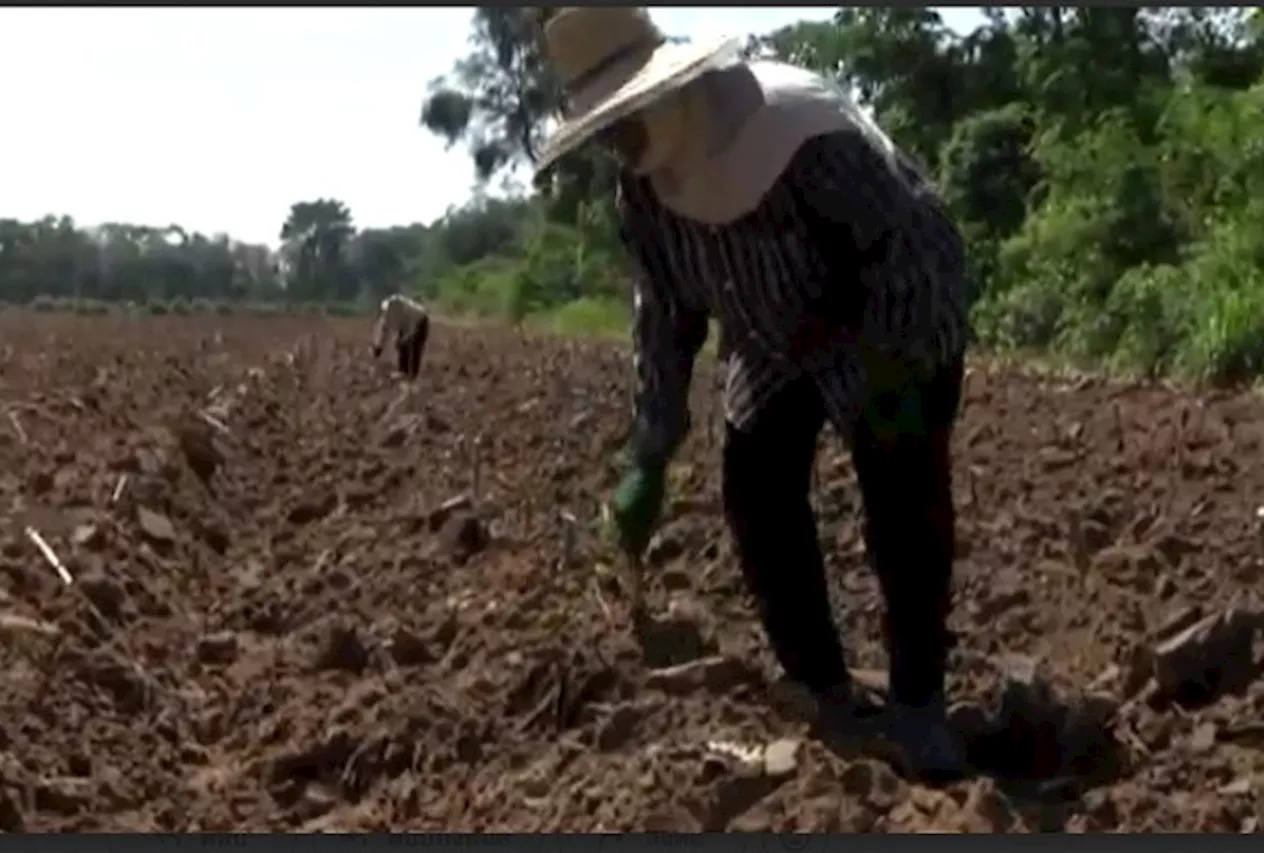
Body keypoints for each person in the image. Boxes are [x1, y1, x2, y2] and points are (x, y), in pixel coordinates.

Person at [534, 8, 971, 781]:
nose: (612, 141)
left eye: (619, 120)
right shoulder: (642, 195)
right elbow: (667, 315)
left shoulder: (802, 134)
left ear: (663, 94)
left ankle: (918, 701)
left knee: (902, 492)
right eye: (599, 126)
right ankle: (819, 682)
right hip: (769, 335)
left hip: (884, 309)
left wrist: (892, 384)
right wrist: (653, 445)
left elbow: (902, 248)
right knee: (755, 487)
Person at [372, 294, 430, 379]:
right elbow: (385, 330)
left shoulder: (393, 311)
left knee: (413, 347)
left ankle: (409, 373)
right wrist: (379, 346)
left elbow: (387, 331)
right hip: (413, 321)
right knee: (403, 344)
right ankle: (406, 372)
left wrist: (380, 347)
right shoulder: (393, 307)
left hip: (419, 321)